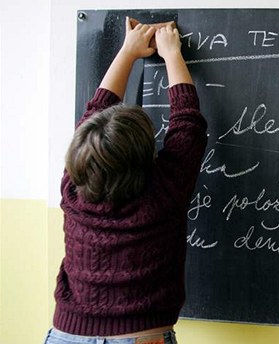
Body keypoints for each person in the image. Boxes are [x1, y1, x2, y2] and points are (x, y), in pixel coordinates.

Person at [44, 16, 208, 344]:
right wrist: (172, 53)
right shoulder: (165, 192)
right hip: (140, 336)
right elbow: (188, 124)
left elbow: (93, 121)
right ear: (145, 155)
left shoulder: (73, 191)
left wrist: (128, 52)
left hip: (67, 335)